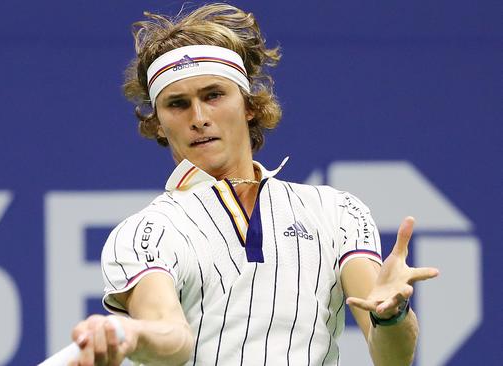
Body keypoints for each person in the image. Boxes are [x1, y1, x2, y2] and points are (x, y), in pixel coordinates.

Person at [69, 3, 439, 366]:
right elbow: (174, 338)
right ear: (159, 123)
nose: (198, 118)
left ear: (249, 105)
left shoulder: (337, 212)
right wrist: (133, 333)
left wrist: (391, 315)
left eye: (213, 95)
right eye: (177, 104)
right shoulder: (144, 233)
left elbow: (391, 357)